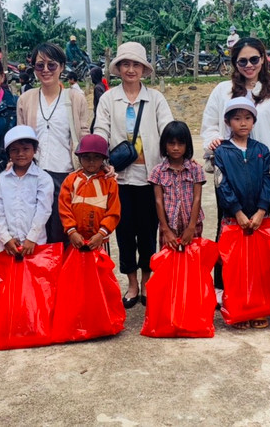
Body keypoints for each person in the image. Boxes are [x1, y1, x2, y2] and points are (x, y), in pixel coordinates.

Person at [94, 41, 174, 307]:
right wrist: (101, 159)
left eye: (136, 64)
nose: (130, 69)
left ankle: (148, 280)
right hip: (120, 178)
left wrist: (172, 158)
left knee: (148, 231)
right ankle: (131, 284)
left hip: (151, 177)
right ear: (118, 68)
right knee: (125, 232)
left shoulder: (155, 99)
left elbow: (167, 129)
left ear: (143, 69)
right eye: (125, 64)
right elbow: (100, 130)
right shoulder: (108, 98)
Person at [17, 43, 89, 244]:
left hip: (65, 174)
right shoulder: (25, 99)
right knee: (36, 235)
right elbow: (20, 138)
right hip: (34, 175)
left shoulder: (75, 98)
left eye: (52, 65)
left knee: (62, 236)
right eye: (40, 65)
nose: (46, 70)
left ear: (62, 67)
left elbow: (83, 134)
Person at [214, 97, 270, 329]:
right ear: (228, 122)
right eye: (237, 118)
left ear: (254, 121)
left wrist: (261, 211)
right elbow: (222, 184)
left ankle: (259, 308)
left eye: (247, 118)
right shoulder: (222, 151)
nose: (243, 123)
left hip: (259, 219)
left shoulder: (262, 150)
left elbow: (269, 180)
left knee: (259, 266)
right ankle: (239, 310)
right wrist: (237, 212)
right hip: (233, 219)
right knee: (235, 268)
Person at [201, 37, 270, 178]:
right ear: (235, 63)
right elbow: (210, 124)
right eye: (243, 61)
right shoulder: (222, 91)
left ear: (262, 59)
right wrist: (214, 140)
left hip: (263, 170)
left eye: (254, 59)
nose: (249, 65)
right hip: (228, 169)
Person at [0, 126, 53, 256]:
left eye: (26, 149)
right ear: (8, 153)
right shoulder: (2, 180)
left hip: (35, 243)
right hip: (9, 245)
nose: (20, 154)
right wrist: (6, 238)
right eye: (15, 150)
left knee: (34, 275)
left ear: (34, 150)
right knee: (10, 276)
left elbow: (43, 210)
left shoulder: (43, 178)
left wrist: (31, 238)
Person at [58, 133, 121, 252]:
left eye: (96, 157)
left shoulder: (109, 182)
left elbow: (113, 212)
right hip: (76, 240)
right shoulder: (70, 180)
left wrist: (101, 234)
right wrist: (72, 232)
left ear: (103, 159)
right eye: (86, 156)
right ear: (79, 157)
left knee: (101, 269)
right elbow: (64, 209)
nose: (91, 161)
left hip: (100, 241)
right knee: (75, 269)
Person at [149, 121, 205, 250]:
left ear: (187, 145)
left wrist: (191, 227)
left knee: (192, 262)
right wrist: (166, 230)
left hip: (193, 226)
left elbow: (197, 199)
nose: (176, 148)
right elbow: (158, 201)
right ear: (164, 145)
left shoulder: (195, 169)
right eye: (171, 143)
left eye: (180, 144)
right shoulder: (157, 171)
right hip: (168, 227)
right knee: (168, 264)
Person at [89, 66, 106, 131]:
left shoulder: (97, 88)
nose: (91, 78)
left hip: (99, 113)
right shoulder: (102, 85)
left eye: (92, 76)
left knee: (93, 130)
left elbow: (100, 101)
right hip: (99, 113)